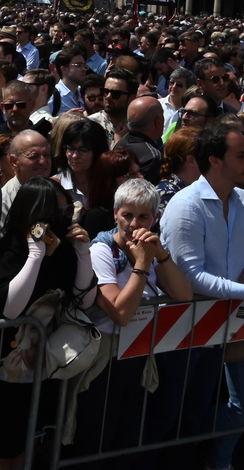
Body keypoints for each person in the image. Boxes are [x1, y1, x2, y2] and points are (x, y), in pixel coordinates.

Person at [159, 123, 244, 470]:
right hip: (180, 331)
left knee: (197, 410)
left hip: (218, 327)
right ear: (215, 161)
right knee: (169, 416)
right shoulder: (185, 206)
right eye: (242, 155)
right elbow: (191, 278)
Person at [72, 179, 192, 468]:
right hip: (105, 360)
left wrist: (160, 255)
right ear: (115, 213)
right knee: (97, 439)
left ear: (155, 219)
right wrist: (140, 265)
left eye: (143, 217)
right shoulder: (101, 251)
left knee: (127, 440)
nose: (133, 223)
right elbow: (120, 313)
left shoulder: (150, 249)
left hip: (137, 354)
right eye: (127, 215)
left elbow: (183, 294)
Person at [0, 177, 94, 470]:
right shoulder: (11, 250)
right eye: (55, 214)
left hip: (42, 363)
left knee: (28, 438)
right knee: (0, 443)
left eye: (66, 211)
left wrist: (83, 255)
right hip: (6, 366)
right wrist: (34, 255)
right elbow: (10, 309)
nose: (63, 219)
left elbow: (84, 300)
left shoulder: (63, 250)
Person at [54, 118, 110, 210]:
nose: (75, 156)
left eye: (83, 150)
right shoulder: (54, 185)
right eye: (70, 149)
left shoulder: (109, 184)